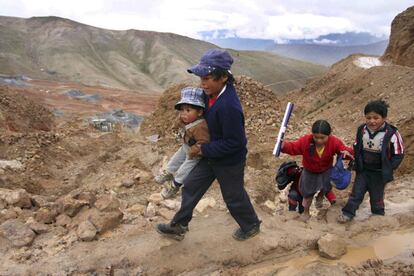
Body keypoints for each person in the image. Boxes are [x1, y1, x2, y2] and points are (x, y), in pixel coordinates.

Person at [156, 49, 261, 241]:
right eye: (201, 77)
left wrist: (203, 148)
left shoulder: (229, 106)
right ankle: (179, 226)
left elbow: (236, 143)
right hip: (209, 155)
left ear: (222, 78)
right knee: (191, 186)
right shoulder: (208, 94)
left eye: (208, 78)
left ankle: (251, 225)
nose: (203, 83)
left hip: (228, 160)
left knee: (233, 196)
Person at [338, 100, 404, 223]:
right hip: (363, 170)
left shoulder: (392, 134)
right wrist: (355, 161)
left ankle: (378, 215)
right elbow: (358, 147)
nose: (372, 121)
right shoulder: (362, 130)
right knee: (356, 193)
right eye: (368, 117)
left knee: (376, 195)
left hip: (379, 172)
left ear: (384, 117)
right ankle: (347, 213)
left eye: (376, 118)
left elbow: (399, 154)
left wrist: (388, 168)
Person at [281, 120, 354, 221]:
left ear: (329, 135)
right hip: (309, 172)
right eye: (316, 137)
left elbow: (343, 150)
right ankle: (306, 212)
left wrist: (348, 152)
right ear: (312, 135)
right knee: (307, 194)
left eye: (322, 138)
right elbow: (294, 147)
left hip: (326, 170)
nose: (319, 140)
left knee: (326, 187)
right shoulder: (306, 141)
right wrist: (283, 146)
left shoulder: (334, 142)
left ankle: (321, 196)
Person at [155, 87, 210, 199]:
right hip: (186, 146)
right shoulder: (186, 120)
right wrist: (177, 125)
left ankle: (175, 185)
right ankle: (168, 172)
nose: (184, 114)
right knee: (175, 159)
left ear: (199, 112)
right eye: (182, 110)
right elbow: (178, 124)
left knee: (184, 168)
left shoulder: (200, 126)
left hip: (195, 152)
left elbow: (204, 142)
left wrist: (193, 151)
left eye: (188, 110)